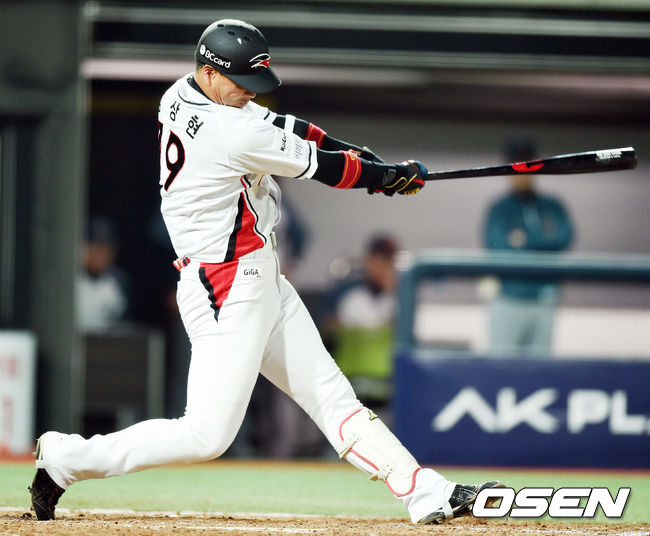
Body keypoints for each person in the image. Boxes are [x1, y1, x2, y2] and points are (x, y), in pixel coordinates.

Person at [29, 19, 502, 524]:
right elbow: (326, 168)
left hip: (259, 276)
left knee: (332, 397)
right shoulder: (229, 132)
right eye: (240, 82)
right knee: (206, 435)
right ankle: (65, 457)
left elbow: (287, 126)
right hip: (225, 286)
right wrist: (384, 176)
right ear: (210, 73)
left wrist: (368, 159)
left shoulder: (183, 94)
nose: (249, 92)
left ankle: (424, 492)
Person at [483, 139, 574, 356]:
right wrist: (543, 241)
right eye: (516, 165)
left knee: (539, 366)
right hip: (508, 298)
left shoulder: (552, 205)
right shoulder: (499, 209)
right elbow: (499, 249)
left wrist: (523, 241)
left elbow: (564, 238)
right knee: (502, 364)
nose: (522, 173)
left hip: (545, 298)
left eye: (528, 164)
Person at [333, 235, 400, 420]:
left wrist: (391, 291)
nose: (383, 268)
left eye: (388, 262)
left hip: (388, 388)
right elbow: (374, 322)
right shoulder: (352, 296)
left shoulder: (400, 298)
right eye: (379, 260)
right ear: (369, 261)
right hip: (353, 387)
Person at [77, 215, 130, 332]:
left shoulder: (118, 282)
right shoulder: (68, 278)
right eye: (96, 248)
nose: (102, 255)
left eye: (107, 249)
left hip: (105, 341)